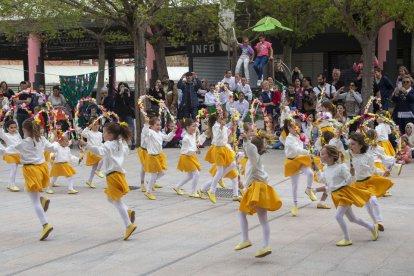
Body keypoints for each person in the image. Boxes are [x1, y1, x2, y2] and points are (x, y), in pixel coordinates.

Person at [0, 119, 59, 240]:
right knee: (34, 193)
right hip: (42, 169)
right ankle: (42, 199)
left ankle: (45, 225)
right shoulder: (41, 139)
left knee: (34, 202)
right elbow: (53, 148)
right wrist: (57, 140)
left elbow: (5, 151)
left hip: (31, 171)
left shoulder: (24, 143)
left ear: (25, 130)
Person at [80, 122, 137, 240]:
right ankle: (128, 211)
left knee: (116, 201)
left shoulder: (109, 144)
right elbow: (125, 150)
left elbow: (99, 151)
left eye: (105, 132)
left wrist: (86, 145)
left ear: (110, 135)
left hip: (112, 176)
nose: (103, 134)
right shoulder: (120, 144)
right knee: (110, 198)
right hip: (119, 174)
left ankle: (128, 225)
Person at [314, 145, 378, 246]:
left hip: (344, 193)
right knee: (352, 219)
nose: (320, 156)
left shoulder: (341, 167)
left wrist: (352, 174)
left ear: (330, 156)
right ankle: (372, 227)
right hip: (335, 195)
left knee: (338, 216)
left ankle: (347, 239)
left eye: (322, 154)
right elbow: (323, 180)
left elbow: (350, 181)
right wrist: (316, 169)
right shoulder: (326, 168)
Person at [235, 123, 282, 257]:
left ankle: (247, 240)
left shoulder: (254, 157)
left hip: (258, 188)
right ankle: (264, 246)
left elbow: (250, 150)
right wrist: (243, 185)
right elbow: (249, 157)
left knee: (243, 213)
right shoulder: (253, 160)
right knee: (261, 219)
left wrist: (246, 140)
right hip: (256, 187)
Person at [349, 133, 393, 232]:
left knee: (373, 200)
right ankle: (375, 223)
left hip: (369, 182)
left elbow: (373, 169)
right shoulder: (349, 156)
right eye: (350, 144)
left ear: (360, 145)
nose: (351, 146)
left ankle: (379, 221)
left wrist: (383, 172)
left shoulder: (367, 156)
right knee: (368, 204)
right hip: (357, 184)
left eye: (353, 144)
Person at [283, 118, 317, 216]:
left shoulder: (298, 135)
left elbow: (306, 136)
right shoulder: (289, 138)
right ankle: (295, 205)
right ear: (289, 128)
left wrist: (310, 125)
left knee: (310, 173)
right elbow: (296, 149)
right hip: (292, 161)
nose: (296, 128)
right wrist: (308, 152)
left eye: (297, 126)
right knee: (295, 185)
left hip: (300, 159)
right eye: (294, 127)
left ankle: (308, 190)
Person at [200, 113, 236, 204]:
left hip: (224, 149)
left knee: (233, 164)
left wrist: (232, 130)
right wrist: (221, 127)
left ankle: (217, 181)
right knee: (219, 172)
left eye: (226, 118)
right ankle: (211, 191)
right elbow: (217, 136)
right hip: (218, 150)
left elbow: (229, 140)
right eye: (223, 117)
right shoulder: (215, 127)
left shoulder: (224, 127)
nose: (225, 119)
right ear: (218, 118)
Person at [142, 116, 176, 200]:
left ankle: (150, 182)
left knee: (162, 172)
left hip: (159, 156)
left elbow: (167, 138)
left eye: (159, 125)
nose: (159, 126)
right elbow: (145, 133)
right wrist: (146, 124)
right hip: (152, 157)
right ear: (151, 126)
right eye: (157, 125)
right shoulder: (149, 132)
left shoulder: (159, 133)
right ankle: (148, 192)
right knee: (154, 175)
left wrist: (173, 131)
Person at [173, 119, 201, 198]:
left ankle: (177, 186)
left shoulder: (193, 133)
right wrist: (196, 151)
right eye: (193, 126)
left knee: (190, 175)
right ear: (187, 127)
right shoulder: (186, 138)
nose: (194, 128)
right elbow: (188, 151)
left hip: (191, 156)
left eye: (195, 126)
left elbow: (197, 134)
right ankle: (193, 191)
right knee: (196, 173)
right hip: (186, 156)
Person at [82, 118, 104, 188]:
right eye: (94, 124)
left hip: (97, 151)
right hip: (92, 152)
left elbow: (100, 143)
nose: (96, 126)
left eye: (97, 124)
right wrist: (88, 127)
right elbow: (83, 133)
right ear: (91, 125)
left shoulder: (100, 134)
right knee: (102, 158)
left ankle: (89, 181)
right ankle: (98, 170)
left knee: (94, 168)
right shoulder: (89, 133)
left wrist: (103, 147)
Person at [0, 120, 22, 192]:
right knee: (13, 169)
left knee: (14, 169)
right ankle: (12, 185)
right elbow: (1, 133)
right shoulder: (6, 135)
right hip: (10, 154)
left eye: (15, 127)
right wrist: (0, 126)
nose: (13, 129)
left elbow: (20, 142)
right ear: (7, 128)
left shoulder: (17, 134)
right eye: (11, 127)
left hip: (17, 154)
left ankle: (10, 184)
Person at [114, 82, 135, 148]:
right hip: (120, 114)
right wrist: (120, 93)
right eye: (121, 86)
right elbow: (116, 101)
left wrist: (128, 94)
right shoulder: (117, 94)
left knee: (130, 127)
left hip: (128, 113)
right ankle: (121, 143)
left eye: (124, 86)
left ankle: (132, 142)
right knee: (120, 128)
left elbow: (131, 103)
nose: (122, 88)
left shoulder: (129, 94)